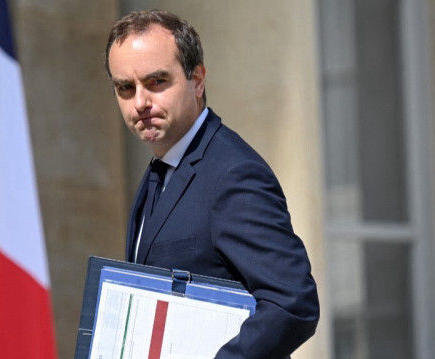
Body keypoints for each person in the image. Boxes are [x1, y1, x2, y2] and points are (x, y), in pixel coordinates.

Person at [105, 9, 319, 358]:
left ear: (198, 79)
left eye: (156, 81)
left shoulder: (233, 174)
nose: (140, 102)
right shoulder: (158, 173)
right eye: (126, 88)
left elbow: (293, 303)